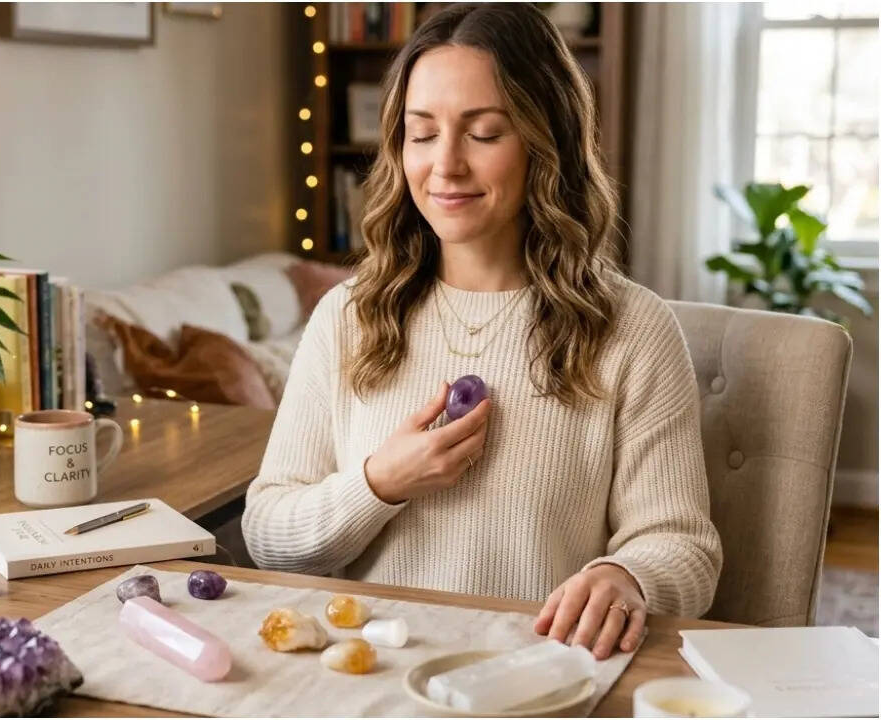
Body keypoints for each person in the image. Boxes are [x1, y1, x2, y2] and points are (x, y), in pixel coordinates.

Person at [241, 3, 722, 661]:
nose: (446, 165)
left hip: (540, 679)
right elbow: (267, 534)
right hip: (370, 676)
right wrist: (377, 483)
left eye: (485, 133)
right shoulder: (347, 317)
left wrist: (627, 576)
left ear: (546, 143)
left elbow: (685, 547)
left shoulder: (632, 330)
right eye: (422, 133)